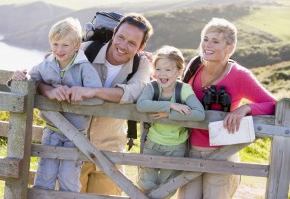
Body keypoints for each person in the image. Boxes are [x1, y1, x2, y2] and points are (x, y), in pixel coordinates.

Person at [36, 13, 154, 195]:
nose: (123, 46)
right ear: (114, 33)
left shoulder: (142, 65)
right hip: (72, 145)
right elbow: (46, 68)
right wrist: (46, 89)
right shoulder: (86, 49)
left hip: (109, 151)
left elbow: (133, 92)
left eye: (132, 43)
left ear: (142, 47)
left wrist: (93, 91)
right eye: (121, 37)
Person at [177, 18, 276, 199]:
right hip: (189, 151)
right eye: (205, 39)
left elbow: (272, 104)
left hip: (223, 154)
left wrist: (245, 109)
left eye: (215, 41)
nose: (207, 45)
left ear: (229, 48)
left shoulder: (240, 75)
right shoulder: (194, 66)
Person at [9, 17, 103, 192]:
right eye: (55, 44)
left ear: (77, 46)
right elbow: (32, 79)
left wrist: (80, 94)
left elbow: (98, 97)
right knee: (45, 176)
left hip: (76, 135)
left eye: (65, 45)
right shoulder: (45, 65)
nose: (59, 50)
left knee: (69, 179)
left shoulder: (85, 69)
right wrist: (21, 77)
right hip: (51, 131)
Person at [136, 45, 205, 197]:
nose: (162, 74)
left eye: (168, 69)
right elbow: (141, 105)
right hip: (152, 143)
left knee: (167, 188)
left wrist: (169, 114)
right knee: (146, 184)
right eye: (158, 69)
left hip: (176, 147)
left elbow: (199, 114)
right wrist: (170, 105)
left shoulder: (184, 90)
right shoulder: (152, 87)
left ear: (179, 72)